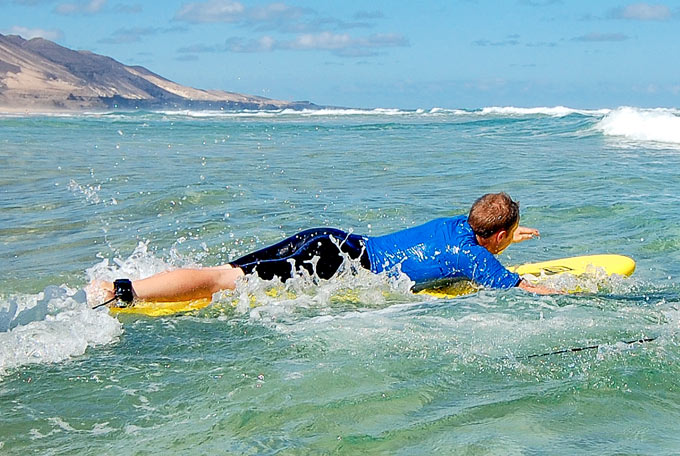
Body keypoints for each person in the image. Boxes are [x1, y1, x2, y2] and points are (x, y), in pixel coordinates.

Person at [89, 192, 560, 306]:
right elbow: (526, 289)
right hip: (339, 263)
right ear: (495, 238)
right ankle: (121, 291)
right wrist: (579, 287)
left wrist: (505, 235)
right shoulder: (476, 257)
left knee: (224, 271)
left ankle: (133, 284)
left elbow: (473, 241)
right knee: (222, 281)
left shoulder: (460, 227)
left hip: (329, 241)